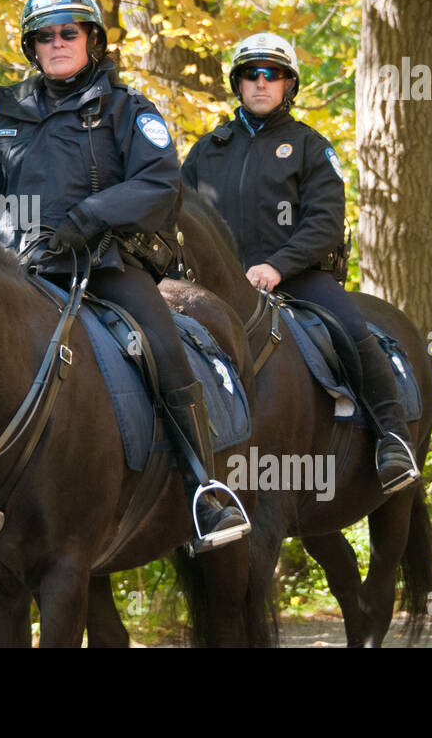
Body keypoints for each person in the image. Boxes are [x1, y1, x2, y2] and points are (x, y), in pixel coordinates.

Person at [0, 0, 251, 562]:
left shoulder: (126, 111)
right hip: (19, 274)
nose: (56, 43)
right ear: (31, 46)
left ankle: (200, 488)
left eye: (68, 33)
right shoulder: (4, 121)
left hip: (105, 267)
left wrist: (89, 217)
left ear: (91, 39)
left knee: (164, 349)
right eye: (44, 36)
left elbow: (161, 182)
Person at [179, 32, 419, 494]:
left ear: (289, 84)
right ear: (238, 83)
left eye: (273, 74)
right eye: (251, 74)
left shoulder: (310, 147)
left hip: (298, 278)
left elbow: (325, 224)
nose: (261, 83)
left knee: (353, 327)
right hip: (214, 288)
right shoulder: (207, 151)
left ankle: (393, 437)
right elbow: (179, 220)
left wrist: (277, 266)